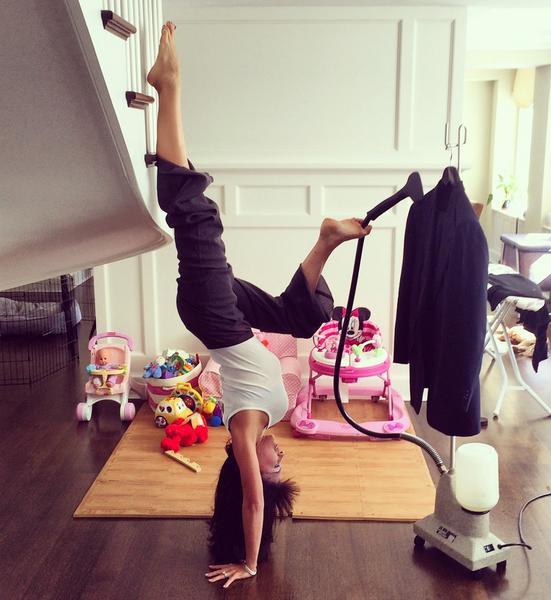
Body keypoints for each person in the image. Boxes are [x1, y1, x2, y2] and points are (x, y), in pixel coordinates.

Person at [147, 21, 372, 588]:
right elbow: (257, 497)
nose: (279, 463)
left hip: (215, 319)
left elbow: (251, 505)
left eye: (273, 472)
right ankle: (327, 238)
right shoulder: (272, 418)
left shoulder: (244, 432)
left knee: (195, 215)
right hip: (236, 321)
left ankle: (168, 86)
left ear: (248, 467)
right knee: (302, 318)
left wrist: (250, 561)